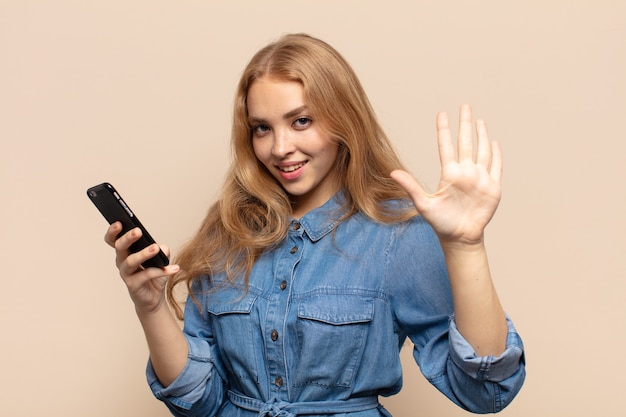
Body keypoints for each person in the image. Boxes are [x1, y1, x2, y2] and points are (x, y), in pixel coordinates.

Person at [105, 33, 525, 417]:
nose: (280, 148)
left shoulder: (395, 233)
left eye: (300, 121)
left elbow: (485, 392)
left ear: (344, 119)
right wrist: (151, 307)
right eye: (262, 128)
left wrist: (466, 246)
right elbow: (200, 401)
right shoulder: (228, 228)